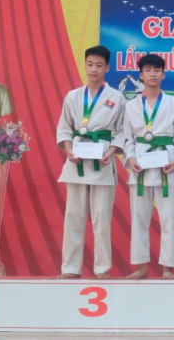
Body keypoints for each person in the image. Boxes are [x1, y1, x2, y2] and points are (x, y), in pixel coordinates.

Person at [56, 46, 127, 279]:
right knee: (73, 216)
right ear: (85, 65)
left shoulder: (116, 97)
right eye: (90, 64)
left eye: (99, 65)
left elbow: (122, 131)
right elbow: (64, 128)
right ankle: (70, 268)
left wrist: (112, 151)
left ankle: (102, 268)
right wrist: (68, 149)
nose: (93, 69)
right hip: (77, 159)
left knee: (101, 218)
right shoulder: (73, 96)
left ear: (107, 68)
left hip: (102, 160)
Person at [123, 54, 174, 280]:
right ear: (140, 75)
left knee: (169, 218)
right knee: (139, 219)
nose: (152, 74)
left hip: (166, 166)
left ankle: (168, 268)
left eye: (157, 70)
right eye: (148, 70)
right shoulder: (130, 106)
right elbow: (127, 139)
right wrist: (129, 158)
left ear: (163, 74)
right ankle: (141, 267)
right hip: (140, 167)